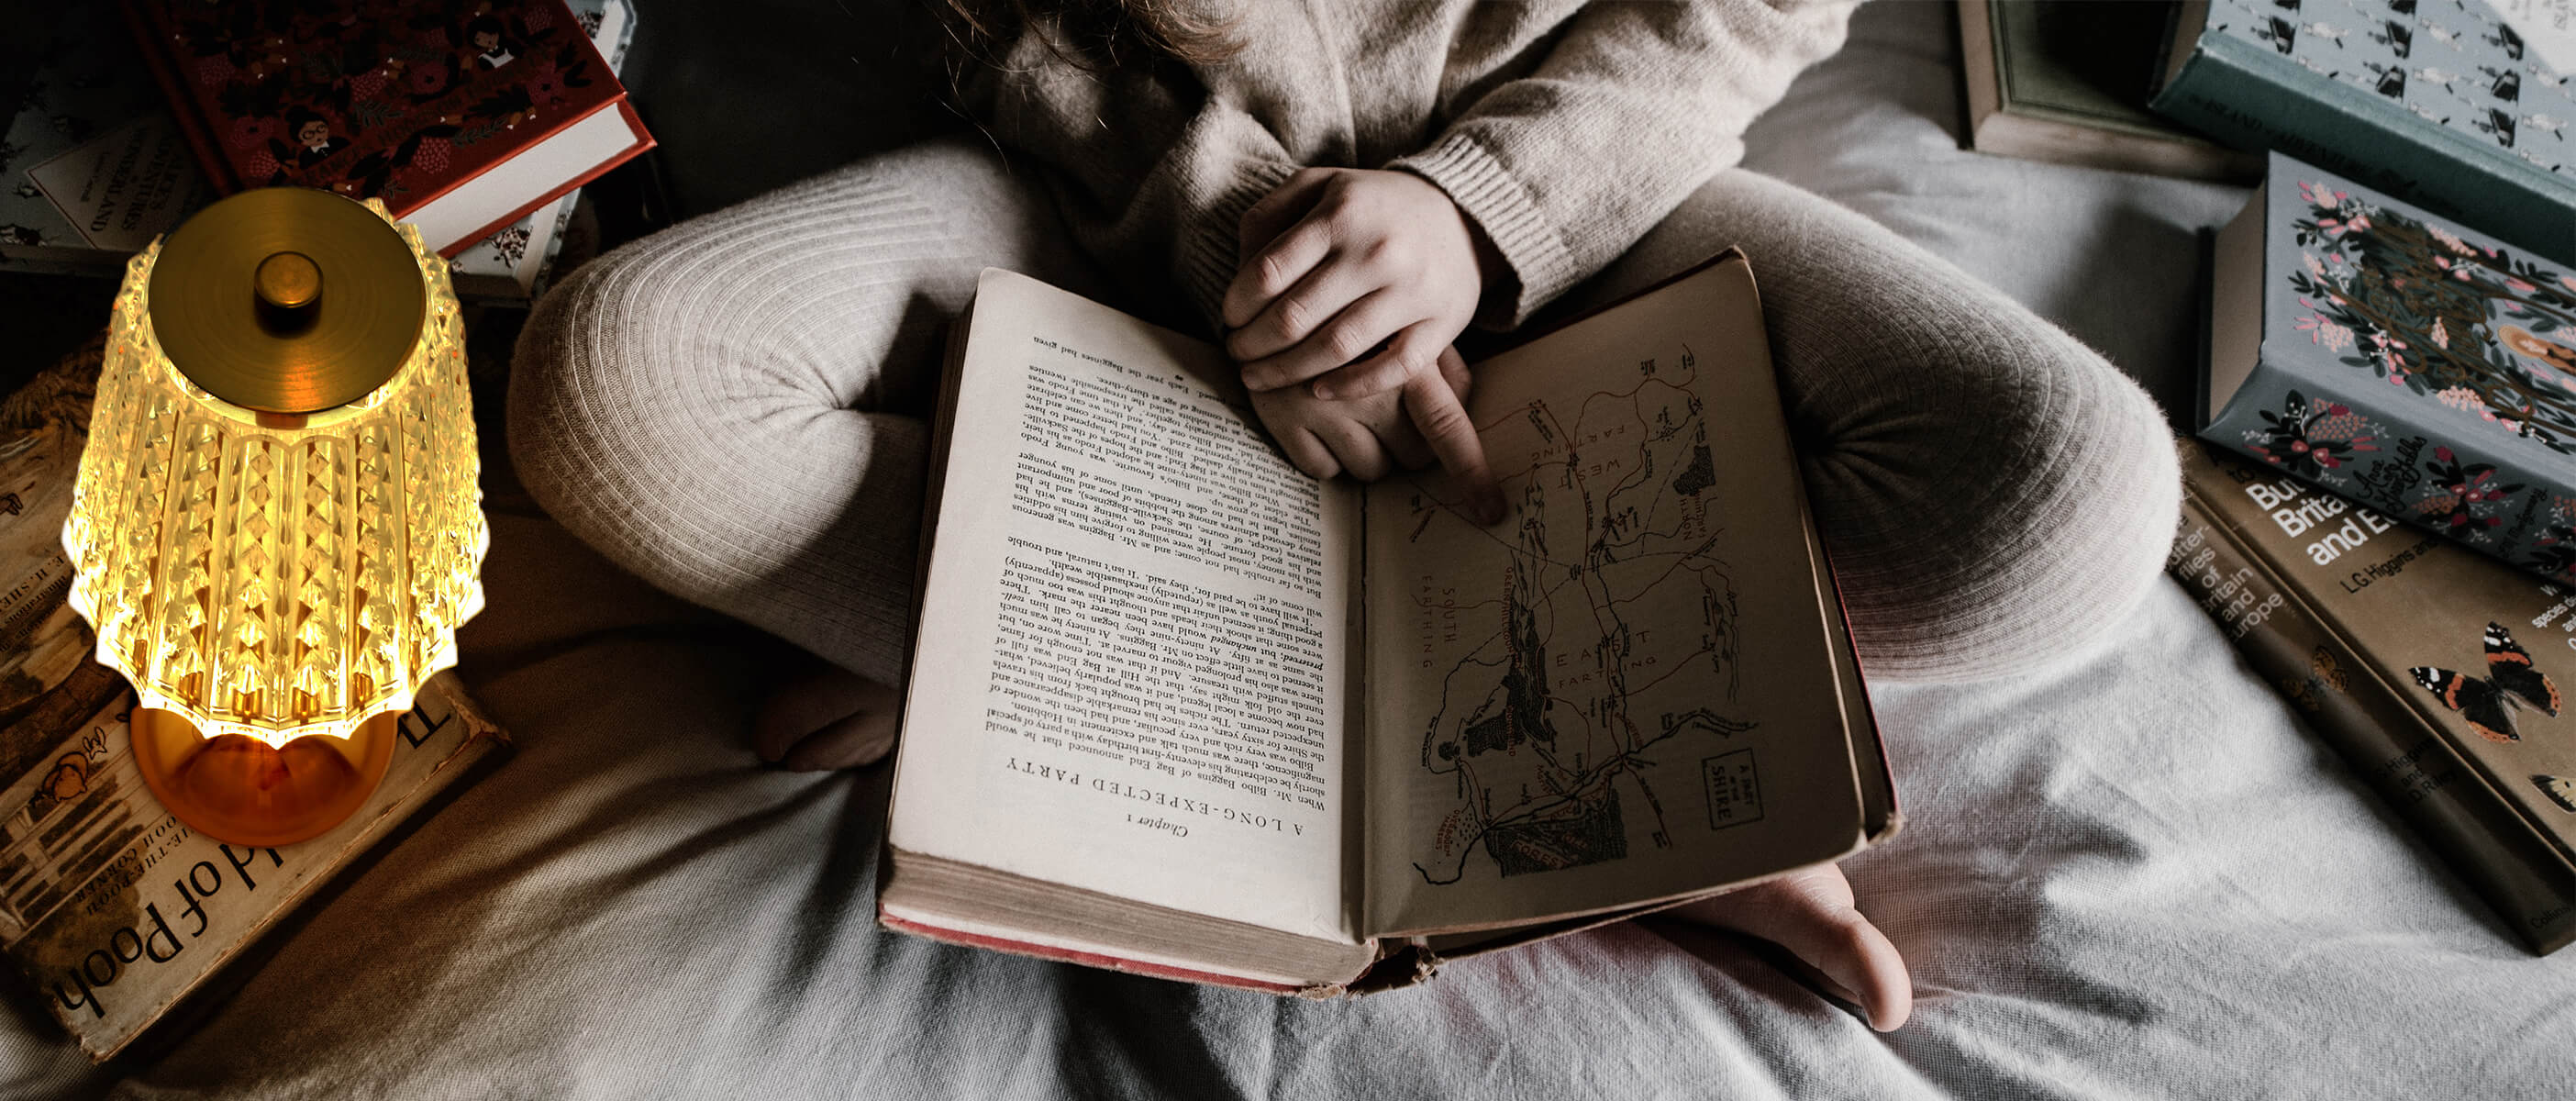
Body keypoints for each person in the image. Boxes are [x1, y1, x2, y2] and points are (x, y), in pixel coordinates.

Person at [507, 0, 2181, 1034]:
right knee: (622, 387)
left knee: (2067, 499)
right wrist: (1248, 251)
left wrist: (1479, 214)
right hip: (1070, 182)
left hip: (1548, 178)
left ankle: (1577, 795)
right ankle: (1068, 650)